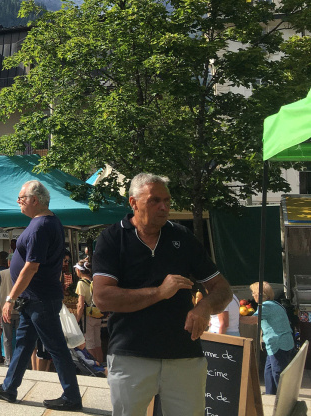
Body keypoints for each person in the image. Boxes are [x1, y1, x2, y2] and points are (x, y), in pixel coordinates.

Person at [91, 173, 232, 416]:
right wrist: (159, 292)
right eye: (154, 201)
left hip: (184, 355)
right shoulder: (112, 238)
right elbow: (103, 297)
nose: (164, 207)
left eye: (167, 200)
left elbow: (223, 289)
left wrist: (204, 308)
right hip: (131, 354)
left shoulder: (183, 237)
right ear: (133, 203)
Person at [0, 180, 83, 412]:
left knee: (56, 347)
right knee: (23, 345)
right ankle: (9, 387)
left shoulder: (40, 227)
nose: (18, 201)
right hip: (35, 298)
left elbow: (31, 267)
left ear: (34, 200)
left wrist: (10, 298)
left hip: (40, 298)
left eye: (21, 197)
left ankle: (72, 396)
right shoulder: (48, 222)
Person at [251, 282, 296, 394]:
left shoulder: (266, 306)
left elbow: (252, 320)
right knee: (269, 371)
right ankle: (270, 393)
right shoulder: (274, 304)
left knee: (277, 371)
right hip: (279, 344)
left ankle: (283, 396)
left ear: (260, 294)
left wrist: (236, 317)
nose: (252, 295)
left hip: (279, 344)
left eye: (253, 292)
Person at [74, 260, 105, 364]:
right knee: (97, 343)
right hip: (98, 314)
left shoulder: (81, 283)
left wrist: (76, 320)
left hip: (88, 318)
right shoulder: (94, 281)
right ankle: (101, 365)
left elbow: (80, 305)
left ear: (79, 270)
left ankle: (95, 367)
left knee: (90, 344)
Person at [0, 258, 19, 366]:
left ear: (9, 262)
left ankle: (8, 361)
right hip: (20, 310)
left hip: (5, 310)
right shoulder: (22, 273)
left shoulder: (1, 274)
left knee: (6, 338)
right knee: (20, 338)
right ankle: (19, 360)